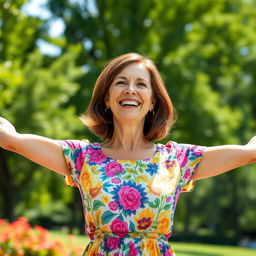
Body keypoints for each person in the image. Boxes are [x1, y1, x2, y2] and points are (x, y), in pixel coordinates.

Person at [0, 52, 255, 256]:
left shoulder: (177, 160)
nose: (131, 90)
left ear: (153, 101)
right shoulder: (81, 158)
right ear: (107, 99)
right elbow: (12, 140)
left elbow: (249, 152)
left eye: (141, 84)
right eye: (121, 82)